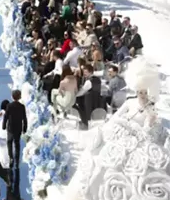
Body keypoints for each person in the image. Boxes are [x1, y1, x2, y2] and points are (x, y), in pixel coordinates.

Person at [65, 57, 166, 199]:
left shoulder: (151, 109)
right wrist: (123, 125)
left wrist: (149, 123)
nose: (142, 95)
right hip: (122, 139)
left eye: (145, 92)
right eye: (139, 92)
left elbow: (153, 133)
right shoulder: (130, 102)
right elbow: (115, 117)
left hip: (140, 147)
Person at [2, 89, 27, 197]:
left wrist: (3, 125)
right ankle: (16, 159)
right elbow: (24, 119)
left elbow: (6, 116)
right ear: (20, 96)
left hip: (10, 128)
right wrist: (25, 128)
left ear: (12, 97)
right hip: (18, 128)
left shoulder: (9, 106)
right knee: (17, 144)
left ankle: (11, 157)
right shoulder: (22, 107)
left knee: (9, 142)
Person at [74, 64, 102, 130]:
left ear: (91, 72)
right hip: (96, 99)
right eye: (84, 72)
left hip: (89, 101)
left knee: (80, 108)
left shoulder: (89, 81)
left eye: (86, 72)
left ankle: (85, 124)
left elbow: (82, 92)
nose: (84, 74)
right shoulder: (98, 80)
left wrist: (75, 95)